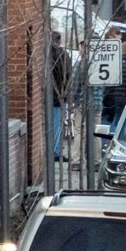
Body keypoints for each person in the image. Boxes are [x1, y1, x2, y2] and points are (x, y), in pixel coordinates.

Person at [50, 32, 71, 162]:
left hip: (47, 94)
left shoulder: (44, 55)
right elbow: (67, 75)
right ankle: (56, 151)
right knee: (57, 124)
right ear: (59, 40)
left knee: (49, 124)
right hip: (59, 95)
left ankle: (51, 149)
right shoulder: (63, 55)